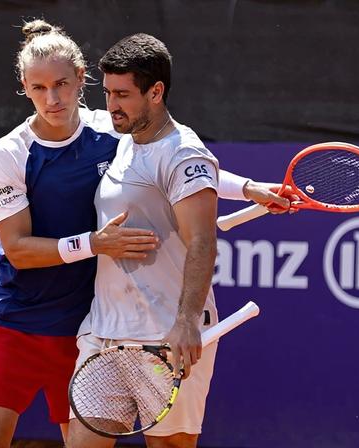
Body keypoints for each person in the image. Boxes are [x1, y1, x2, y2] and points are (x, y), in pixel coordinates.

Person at [0, 20, 292, 448]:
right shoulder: (21, 151)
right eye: (38, 88)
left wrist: (247, 188)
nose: (53, 99)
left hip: (121, 324)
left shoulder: (117, 130)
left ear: (80, 79)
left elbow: (188, 171)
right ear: (25, 88)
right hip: (74, 326)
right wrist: (80, 245)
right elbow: (19, 245)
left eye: (63, 84)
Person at [65, 34, 244, 448]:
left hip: (166, 335)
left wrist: (186, 322)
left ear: (156, 92)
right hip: (105, 333)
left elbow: (203, 241)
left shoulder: (183, 153)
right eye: (107, 92)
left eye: (123, 94)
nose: (111, 104)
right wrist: (251, 188)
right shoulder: (122, 139)